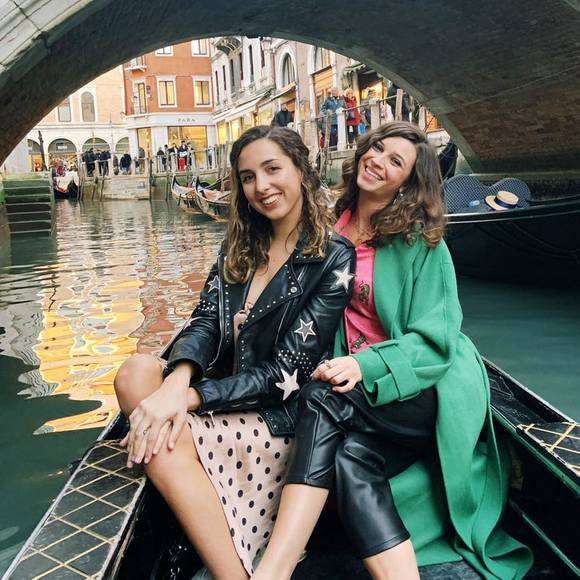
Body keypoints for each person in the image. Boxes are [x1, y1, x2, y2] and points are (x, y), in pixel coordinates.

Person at [253, 122, 532, 580]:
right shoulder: (327, 226)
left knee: (322, 398)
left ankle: (276, 568)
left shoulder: (421, 242)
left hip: (423, 387)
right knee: (350, 458)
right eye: (377, 148)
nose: (378, 161)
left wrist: (363, 365)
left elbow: (435, 342)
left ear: (408, 182)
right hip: (355, 390)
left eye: (395, 161)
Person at [113, 125, 355, 580]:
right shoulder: (240, 244)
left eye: (272, 169)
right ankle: (196, 491)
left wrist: (188, 399)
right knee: (134, 373)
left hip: (277, 413)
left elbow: (285, 372)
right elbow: (205, 320)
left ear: (301, 171)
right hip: (223, 392)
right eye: (247, 177)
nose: (261, 186)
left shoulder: (333, 256)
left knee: (165, 442)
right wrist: (178, 381)